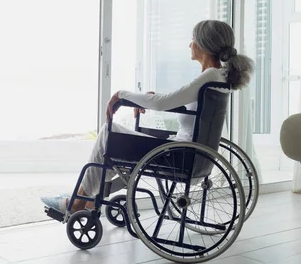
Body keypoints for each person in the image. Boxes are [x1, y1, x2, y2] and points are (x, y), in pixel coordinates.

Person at [42, 19, 254, 215]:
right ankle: (88, 198)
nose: (190, 45)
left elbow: (164, 102)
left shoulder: (208, 76)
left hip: (177, 155)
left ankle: (77, 203)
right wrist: (146, 100)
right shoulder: (219, 77)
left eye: (193, 40)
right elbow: (178, 103)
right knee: (113, 147)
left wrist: (121, 95)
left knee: (109, 133)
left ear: (204, 45)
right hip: (189, 154)